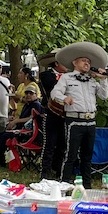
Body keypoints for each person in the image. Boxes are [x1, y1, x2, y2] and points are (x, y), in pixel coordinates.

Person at [51, 42, 108, 189]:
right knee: (70, 155)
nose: (87, 64)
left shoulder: (92, 80)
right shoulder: (67, 78)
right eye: (84, 61)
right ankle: (64, 184)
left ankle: (87, 187)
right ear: (74, 62)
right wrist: (64, 98)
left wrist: (103, 79)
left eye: (89, 62)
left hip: (90, 121)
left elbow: (104, 96)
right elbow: (55, 93)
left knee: (87, 156)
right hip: (74, 121)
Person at [0, 85, 44, 166]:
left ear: (36, 95)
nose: (28, 95)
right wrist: (13, 119)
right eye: (26, 93)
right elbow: (22, 118)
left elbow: (31, 118)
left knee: (4, 136)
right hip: (20, 130)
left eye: (31, 93)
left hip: (29, 133)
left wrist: (16, 121)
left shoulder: (36, 104)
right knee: (0, 135)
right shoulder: (27, 105)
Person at [38, 51, 68, 179]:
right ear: (56, 63)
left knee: (63, 143)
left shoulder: (69, 77)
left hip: (65, 113)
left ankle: (59, 169)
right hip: (51, 112)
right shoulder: (46, 75)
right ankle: (45, 170)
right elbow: (54, 88)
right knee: (49, 143)